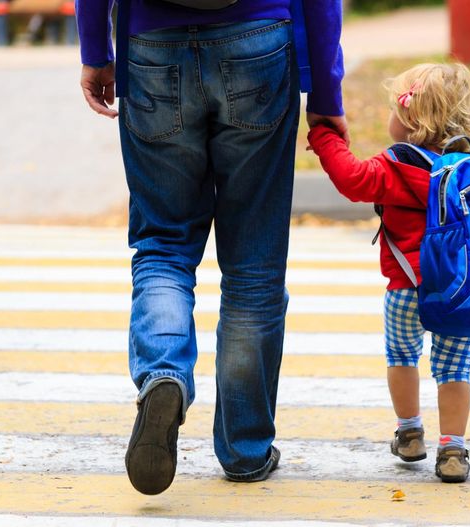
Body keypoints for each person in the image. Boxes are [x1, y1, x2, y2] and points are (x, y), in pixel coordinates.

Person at [76, 0, 347, 495]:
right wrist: (326, 93)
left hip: (151, 45)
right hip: (259, 41)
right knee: (254, 264)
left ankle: (164, 374)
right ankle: (245, 450)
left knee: (163, 244)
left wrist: (96, 50)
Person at [306, 63, 470, 484]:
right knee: (455, 370)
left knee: (402, 357)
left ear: (410, 119)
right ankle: (453, 449)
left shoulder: (398, 165)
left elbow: (352, 179)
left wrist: (324, 136)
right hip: (461, 292)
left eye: (394, 108)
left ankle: (409, 433)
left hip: (406, 289)